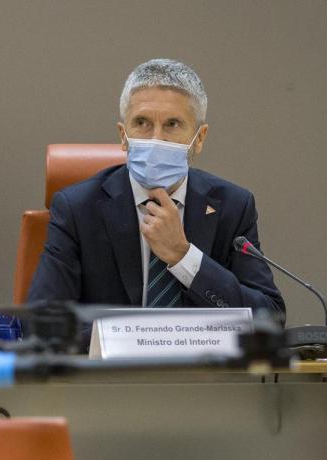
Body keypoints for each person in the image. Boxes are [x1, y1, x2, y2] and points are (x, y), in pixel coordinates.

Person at [28, 58, 284, 318]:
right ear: (123, 136)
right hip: (114, 359)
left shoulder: (233, 207)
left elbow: (269, 318)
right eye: (142, 123)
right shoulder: (77, 209)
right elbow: (44, 320)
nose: (156, 139)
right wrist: (133, 336)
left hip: (203, 359)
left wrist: (184, 256)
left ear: (199, 138)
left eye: (172, 125)